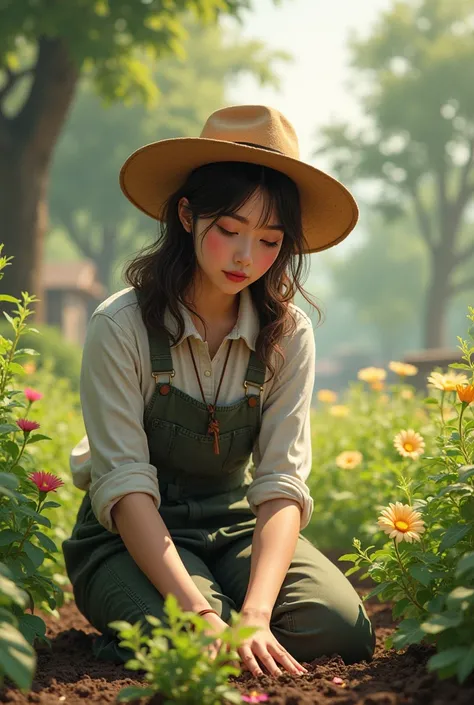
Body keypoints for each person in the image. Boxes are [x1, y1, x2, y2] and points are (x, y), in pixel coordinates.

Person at [62, 105, 375, 679]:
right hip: (128, 531)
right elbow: (126, 487)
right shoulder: (121, 326)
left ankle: (234, 614)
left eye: (268, 240)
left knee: (337, 626)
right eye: (229, 230)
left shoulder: (288, 333)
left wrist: (256, 613)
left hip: (234, 525)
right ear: (187, 214)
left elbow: (281, 481)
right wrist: (204, 613)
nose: (244, 257)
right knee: (192, 641)